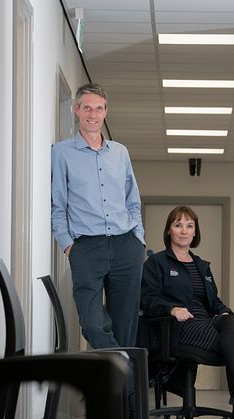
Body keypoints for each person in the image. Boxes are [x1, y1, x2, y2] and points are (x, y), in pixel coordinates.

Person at [51, 82, 144, 350]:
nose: (93, 114)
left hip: (126, 244)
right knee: (92, 323)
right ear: (76, 110)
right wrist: (68, 245)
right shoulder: (61, 153)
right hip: (86, 247)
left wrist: (137, 238)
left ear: (106, 111)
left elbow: (132, 199)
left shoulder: (120, 153)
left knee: (125, 326)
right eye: (87, 108)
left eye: (99, 108)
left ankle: (120, 391)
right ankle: (122, 370)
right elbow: (58, 205)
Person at [141, 206, 234, 418]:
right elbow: (147, 300)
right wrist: (172, 309)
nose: (184, 230)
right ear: (169, 231)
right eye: (178, 225)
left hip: (204, 322)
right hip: (176, 327)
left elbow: (214, 301)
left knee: (230, 321)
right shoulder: (156, 263)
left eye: (189, 225)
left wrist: (224, 312)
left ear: (195, 232)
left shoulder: (202, 266)